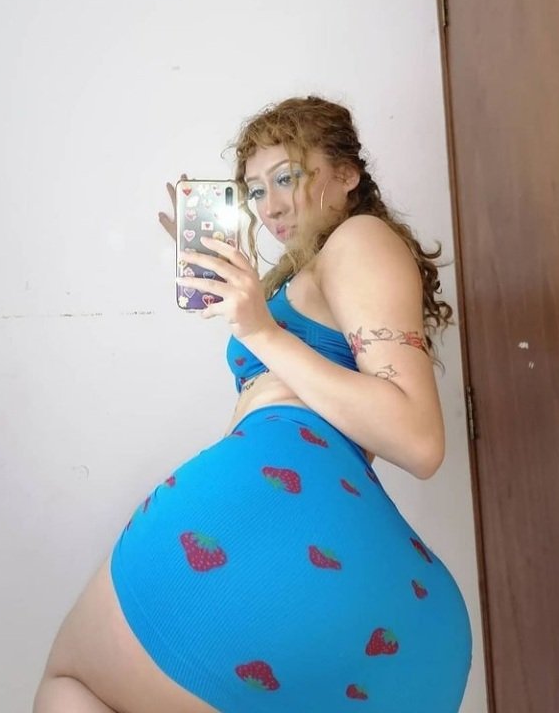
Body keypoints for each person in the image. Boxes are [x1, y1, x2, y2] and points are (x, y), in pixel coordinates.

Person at [34, 95, 473, 713]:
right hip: (344, 581)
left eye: (288, 178)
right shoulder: (307, 273)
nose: (271, 207)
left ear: (347, 174)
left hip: (272, 550)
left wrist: (260, 332)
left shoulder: (359, 238)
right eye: (256, 190)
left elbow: (419, 441)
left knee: (72, 686)